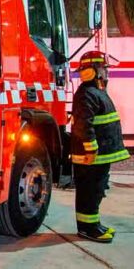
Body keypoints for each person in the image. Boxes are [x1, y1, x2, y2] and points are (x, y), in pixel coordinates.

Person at [70, 50, 130, 243]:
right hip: (92, 156)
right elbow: (83, 126)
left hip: (99, 156)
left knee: (96, 191)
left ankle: (93, 224)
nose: (106, 72)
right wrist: (91, 149)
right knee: (90, 192)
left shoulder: (96, 92)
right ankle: (87, 229)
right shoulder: (86, 94)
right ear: (92, 71)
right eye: (103, 68)